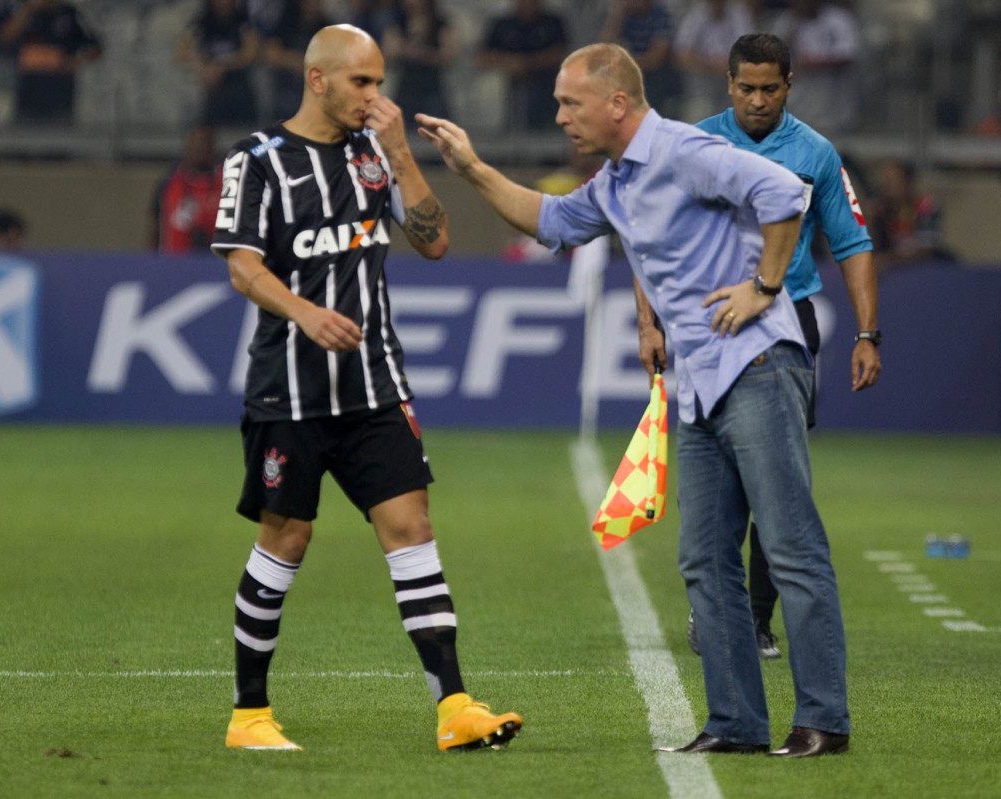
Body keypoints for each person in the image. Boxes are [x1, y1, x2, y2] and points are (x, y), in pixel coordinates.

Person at [419, 42, 850, 757]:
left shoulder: (685, 150)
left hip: (758, 364)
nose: (561, 117)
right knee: (705, 561)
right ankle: (737, 723)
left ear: (617, 102)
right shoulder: (617, 180)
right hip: (701, 383)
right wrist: (471, 169)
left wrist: (766, 287)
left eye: (570, 103)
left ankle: (823, 721)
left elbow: (785, 195)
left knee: (789, 546)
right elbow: (551, 221)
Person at [210, 23, 522, 752]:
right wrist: (306, 312)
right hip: (289, 392)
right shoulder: (258, 159)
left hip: (376, 384)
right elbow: (242, 265)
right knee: (287, 536)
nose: (374, 96)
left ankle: (454, 707)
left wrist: (404, 155)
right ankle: (249, 715)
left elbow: (435, 241)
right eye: (362, 82)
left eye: (380, 82)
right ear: (317, 78)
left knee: (412, 530)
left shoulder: (373, 157)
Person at [681, 32, 879, 662]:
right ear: (729, 85)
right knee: (713, 474)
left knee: (778, 481)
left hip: (788, 321)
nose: (759, 100)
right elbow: (656, 232)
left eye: (770, 88)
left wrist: (869, 333)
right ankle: (715, 607)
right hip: (712, 319)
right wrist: (650, 322)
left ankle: (757, 619)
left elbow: (851, 244)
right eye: (747, 88)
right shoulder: (697, 144)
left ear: (790, 84)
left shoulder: (817, 152)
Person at [0, 0, 101, 124]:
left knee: (59, 133)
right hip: (29, 89)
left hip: (59, 90)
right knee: (25, 133)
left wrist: (75, 61)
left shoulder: (69, 14)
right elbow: (5, 39)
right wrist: (28, 10)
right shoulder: (24, 13)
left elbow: (95, 47)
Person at [770, 0, 862, 134]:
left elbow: (848, 55)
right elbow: (772, 53)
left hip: (832, 98)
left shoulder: (838, 19)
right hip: (799, 98)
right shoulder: (787, 21)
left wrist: (816, 63)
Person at [474, 0, 567, 131]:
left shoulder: (552, 23)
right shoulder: (502, 25)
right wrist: (508, 62)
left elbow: (560, 54)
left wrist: (527, 63)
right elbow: (482, 57)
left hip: (543, 79)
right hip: (506, 78)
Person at [177, 0, 260, 127]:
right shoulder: (202, 22)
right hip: (210, 93)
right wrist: (203, 65)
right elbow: (182, 53)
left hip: (239, 90)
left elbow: (251, 54)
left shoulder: (243, 22)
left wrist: (221, 66)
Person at [673, 0, 754, 123]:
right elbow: (681, 55)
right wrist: (709, 64)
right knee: (699, 114)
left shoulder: (739, 13)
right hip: (703, 82)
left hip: (734, 80)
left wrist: (726, 66)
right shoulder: (697, 14)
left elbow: (748, 52)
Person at [600, 0, 681, 119]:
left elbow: (657, 58)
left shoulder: (660, 16)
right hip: (634, 76)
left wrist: (626, 65)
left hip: (659, 79)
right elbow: (604, 51)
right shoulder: (625, 17)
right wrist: (616, 18)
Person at [381, 0, 457, 123]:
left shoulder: (439, 23)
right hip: (406, 85)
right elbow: (389, 51)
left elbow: (448, 56)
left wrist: (421, 54)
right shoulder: (399, 22)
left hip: (432, 85)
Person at [151, 125, 223, 254]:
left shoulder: (228, 181)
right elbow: (156, 225)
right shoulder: (169, 181)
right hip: (176, 263)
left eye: (203, 144)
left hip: (217, 262)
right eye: (194, 144)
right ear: (186, 147)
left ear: (212, 148)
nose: (199, 149)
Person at [866, 158, 948, 270]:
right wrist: (870, 220)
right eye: (884, 184)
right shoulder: (882, 210)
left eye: (893, 183)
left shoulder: (925, 206)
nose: (887, 189)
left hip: (923, 271)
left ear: (908, 182)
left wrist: (891, 259)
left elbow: (927, 249)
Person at [264, 0, 335, 122]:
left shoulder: (328, 26)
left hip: (316, 90)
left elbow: (332, 60)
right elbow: (271, 55)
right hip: (287, 87)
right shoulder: (286, 22)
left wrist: (303, 64)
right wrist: (295, 61)